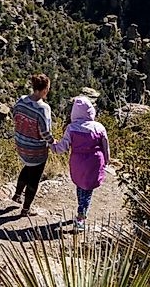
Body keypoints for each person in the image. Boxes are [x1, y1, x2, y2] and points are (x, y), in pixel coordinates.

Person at [51, 96, 110, 231]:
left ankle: (80, 211)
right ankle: (81, 217)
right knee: (88, 190)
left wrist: (52, 144)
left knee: (80, 186)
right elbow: (105, 147)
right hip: (94, 162)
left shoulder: (71, 128)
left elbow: (62, 148)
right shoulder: (99, 127)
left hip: (77, 163)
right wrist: (106, 161)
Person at [11, 74, 54, 217]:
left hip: (20, 144)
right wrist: (54, 143)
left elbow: (14, 115)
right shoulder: (43, 108)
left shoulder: (21, 100)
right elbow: (45, 132)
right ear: (44, 90)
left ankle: (17, 195)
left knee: (27, 167)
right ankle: (25, 209)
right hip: (35, 149)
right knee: (34, 178)